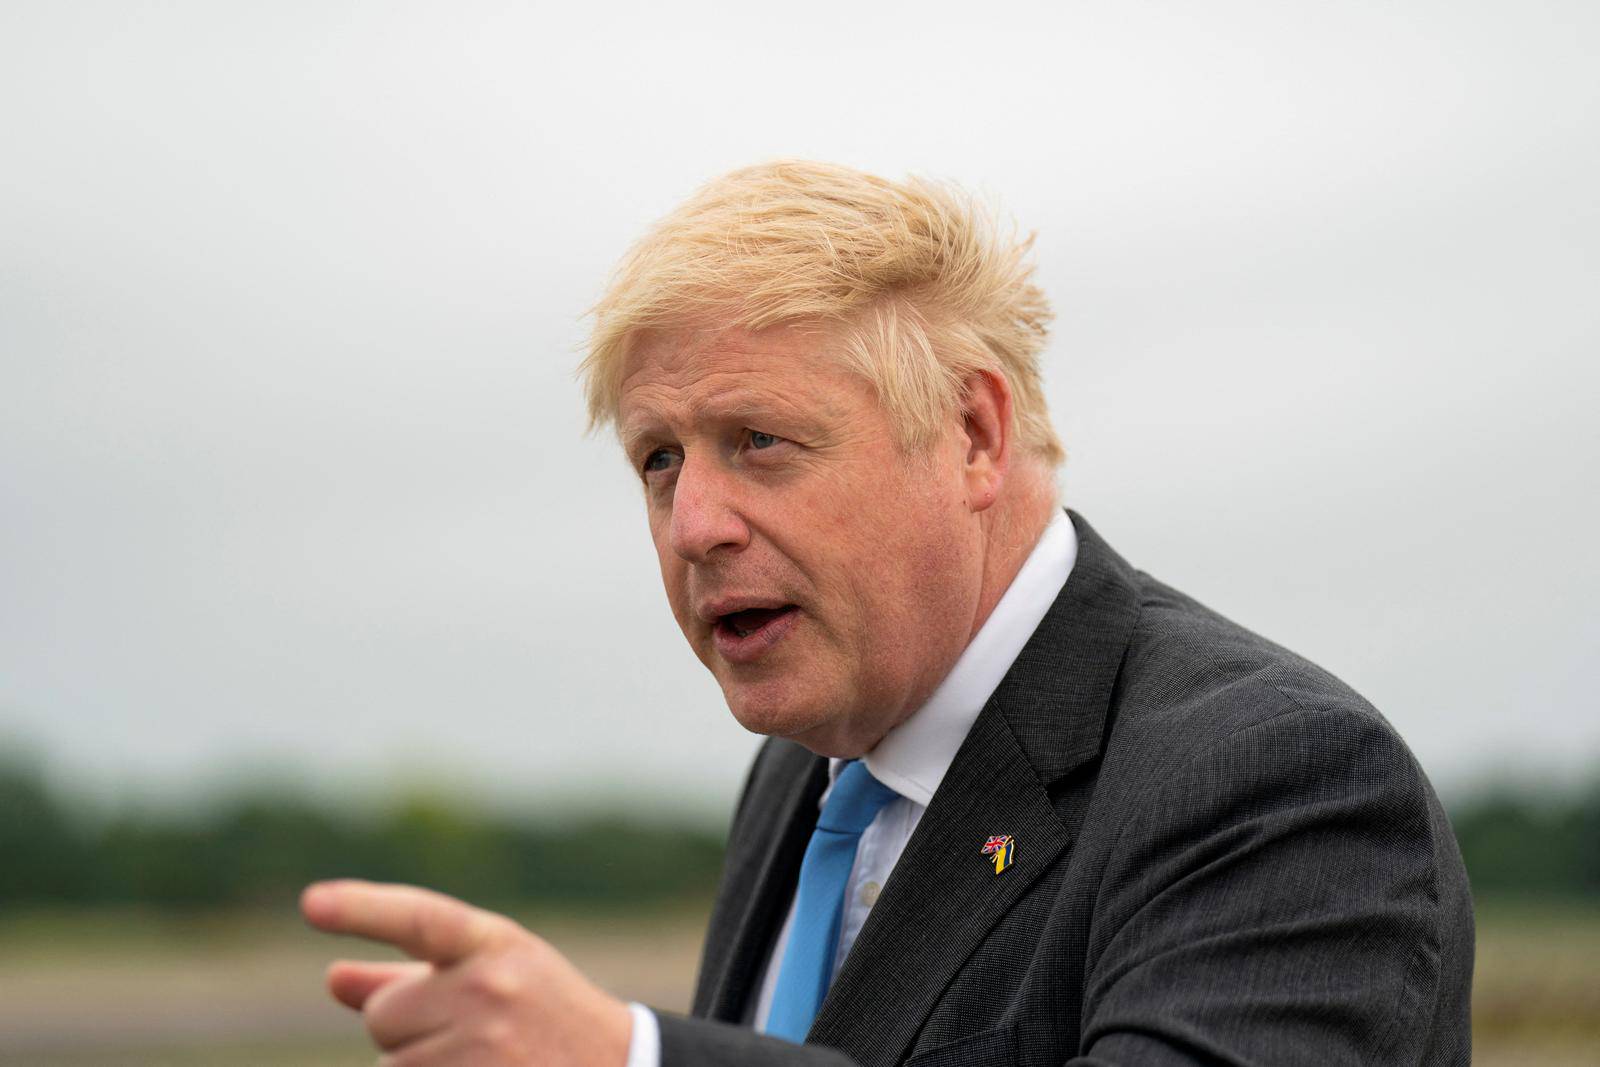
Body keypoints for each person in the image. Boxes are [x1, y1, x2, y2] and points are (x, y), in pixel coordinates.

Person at [301, 161, 1474, 1065]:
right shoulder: (808, 772)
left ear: (972, 431)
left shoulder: (1279, 780)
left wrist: (635, 1056)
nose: (691, 521)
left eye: (758, 440)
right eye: (659, 459)